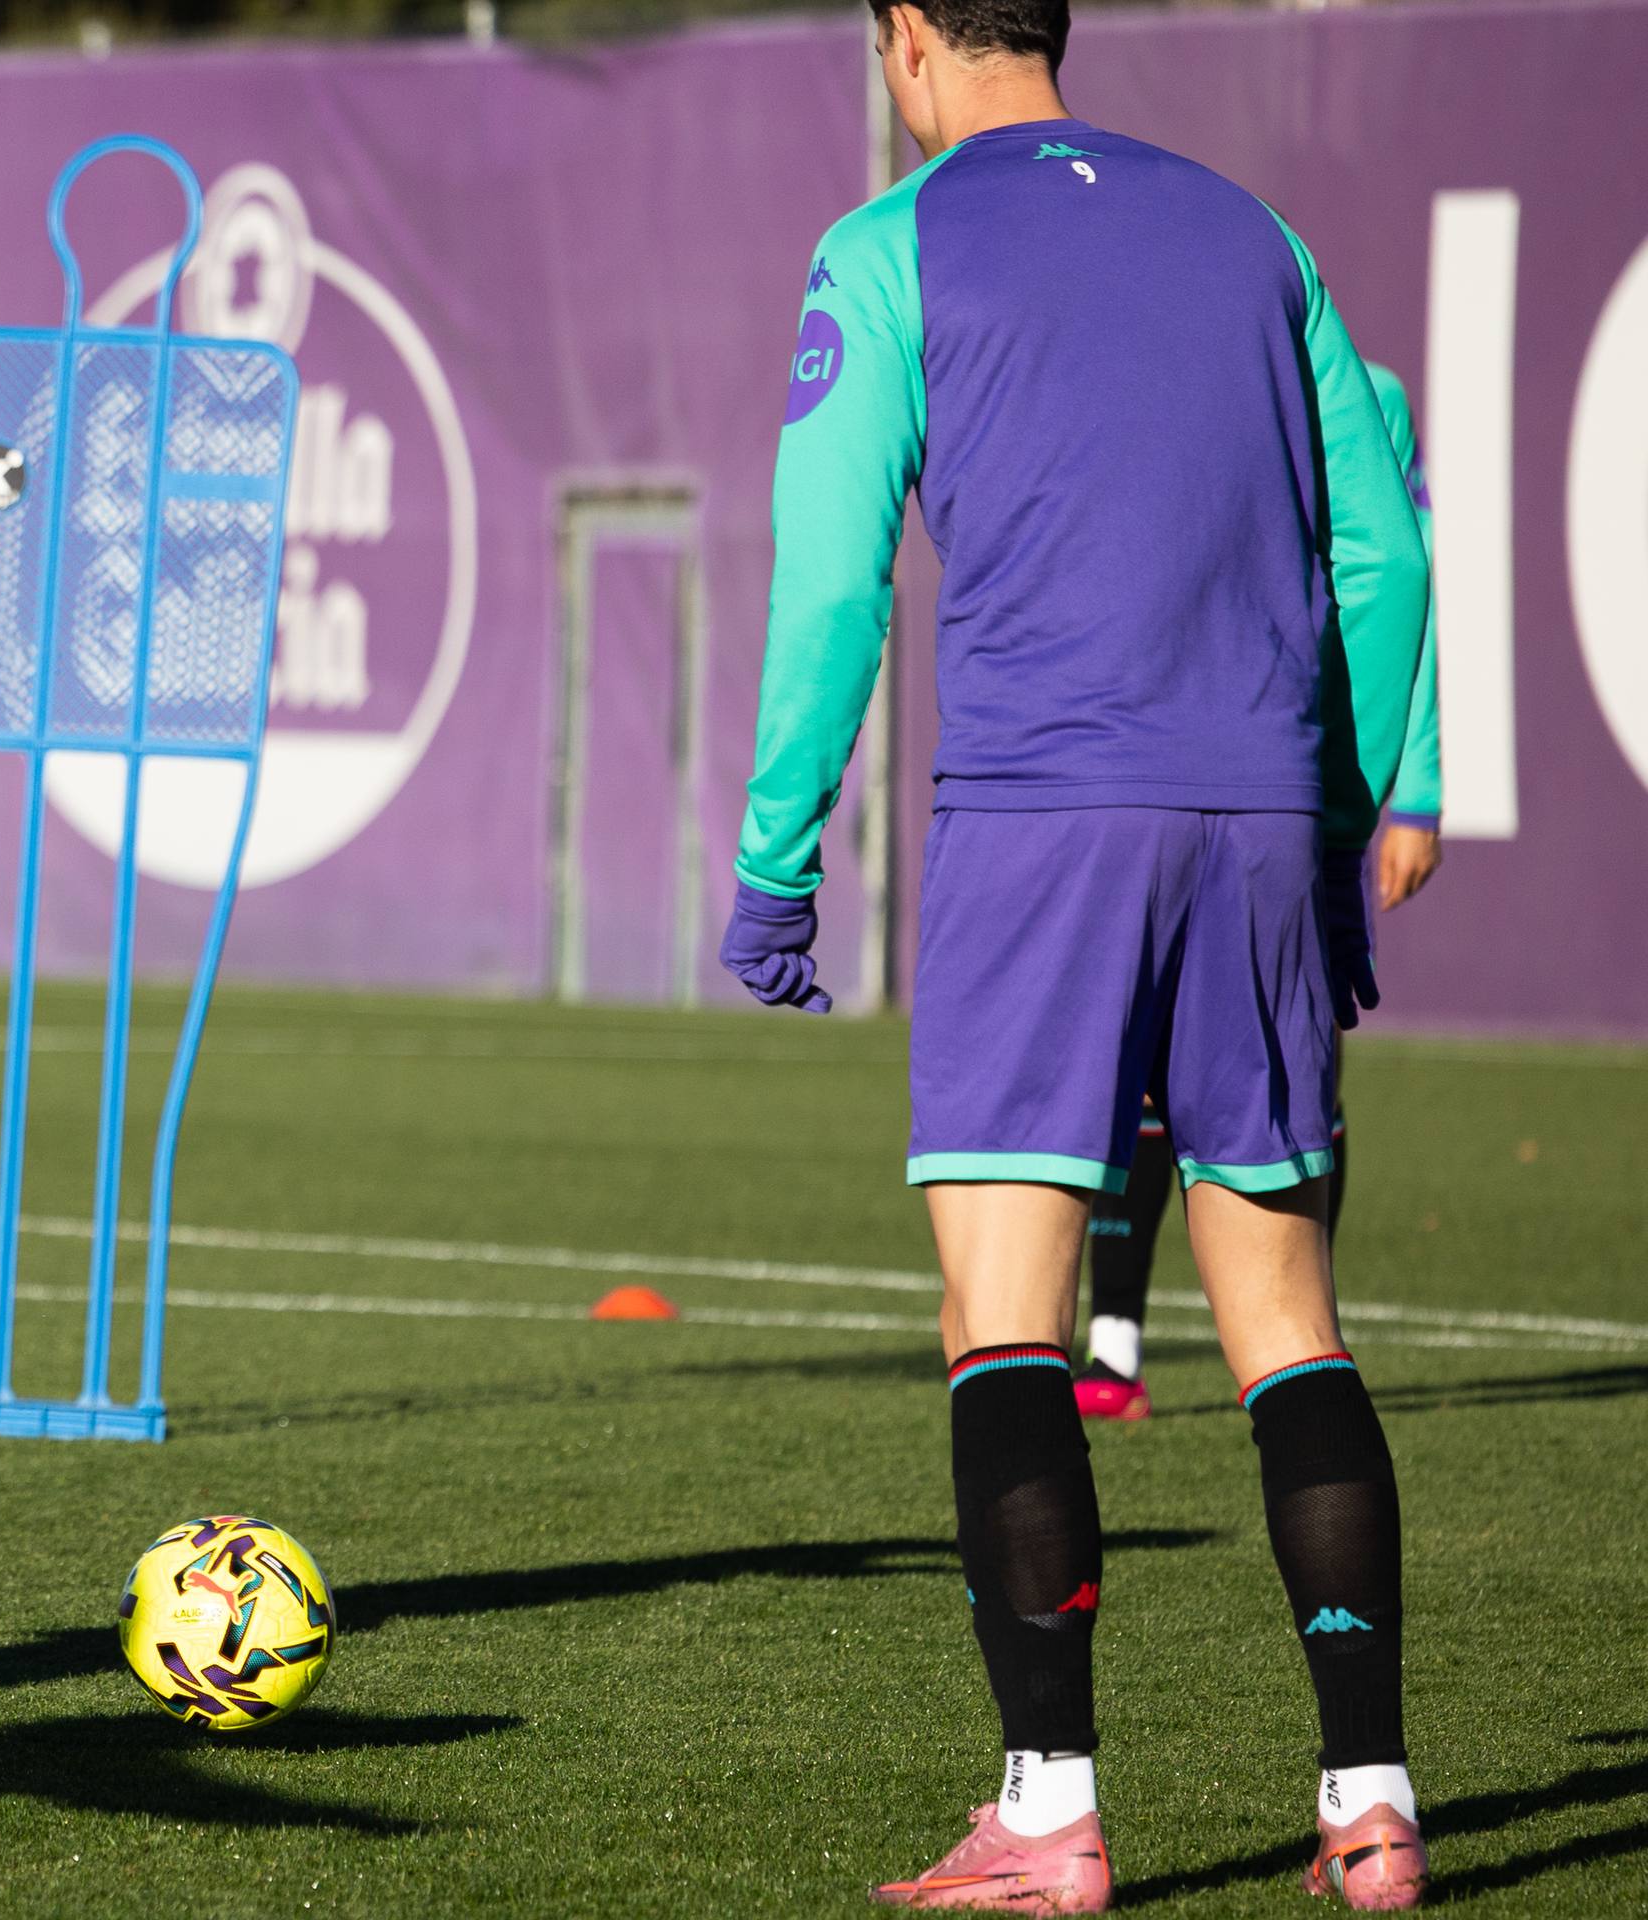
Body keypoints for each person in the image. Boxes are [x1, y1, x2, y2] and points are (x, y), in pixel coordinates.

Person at [714, 2, 1431, 1908]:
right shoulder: (1250, 232)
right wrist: (1329, 825)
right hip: (1256, 817)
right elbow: (1381, 559)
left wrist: (774, 860)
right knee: (1285, 1325)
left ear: (908, 37)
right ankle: (1368, 1801)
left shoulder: (887, 245)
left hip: (1040, 825)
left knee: (1003, 1325)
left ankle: (1044, 1814)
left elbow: (830, 584)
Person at [1075, 360, 1441, 1424]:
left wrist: (1411, 792)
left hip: (1299, 781)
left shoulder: (1367, 396)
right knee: (1144, 1059)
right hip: (1176, 754)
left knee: (1299, 1065)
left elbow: (1406, 587)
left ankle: (1299, 1324)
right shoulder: (1168, 373)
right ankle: (1112, 1342)